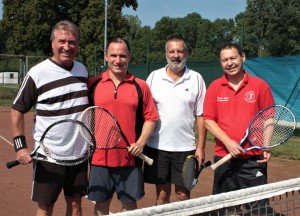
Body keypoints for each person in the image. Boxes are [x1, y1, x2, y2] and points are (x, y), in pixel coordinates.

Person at [11, 20, 89, 216]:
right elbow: (17, 109)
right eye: (62, 41)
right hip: (49, 156)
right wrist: (20, 146)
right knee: (46, 208)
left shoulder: (82, 70)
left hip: (78, 155)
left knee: (75, 205)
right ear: (52, 43)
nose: (67, 47)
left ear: (77, 45)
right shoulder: (37, 73)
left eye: (72, 42)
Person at [87, 38, 159, 215]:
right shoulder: (92, 84)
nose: (118, 60)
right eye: (113, 55)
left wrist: (141, 143)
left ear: (129, 57)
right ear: (105, 57)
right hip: (99, 158)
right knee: (101, 205)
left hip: (130, 159)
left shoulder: (141, 86)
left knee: (129, 208)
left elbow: (151, 118)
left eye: (122, 56)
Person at [203, 43, 274, 212]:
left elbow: (268, 118)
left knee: (258, 210)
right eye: (224, 60)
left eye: (233, 58)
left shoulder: (259, 85)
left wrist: (266, 145)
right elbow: (208, 120)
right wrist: (228, 142)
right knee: (225, 209)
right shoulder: (214, 87)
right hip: (224, 157)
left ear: (243, 57)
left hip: (253, 159)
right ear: (220, 63)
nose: (230, 63)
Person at [143, 36, 207, 205]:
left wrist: (200, 148)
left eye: (180, 51)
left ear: (186, 53)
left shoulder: (196, 78)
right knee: (162, 195)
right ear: (166, 53)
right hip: (157, 148)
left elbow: (201, 115)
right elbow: (146, 112)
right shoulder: (154, 77)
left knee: (183, 196)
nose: (176, 55)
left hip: (185, 148)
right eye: (172, 51)